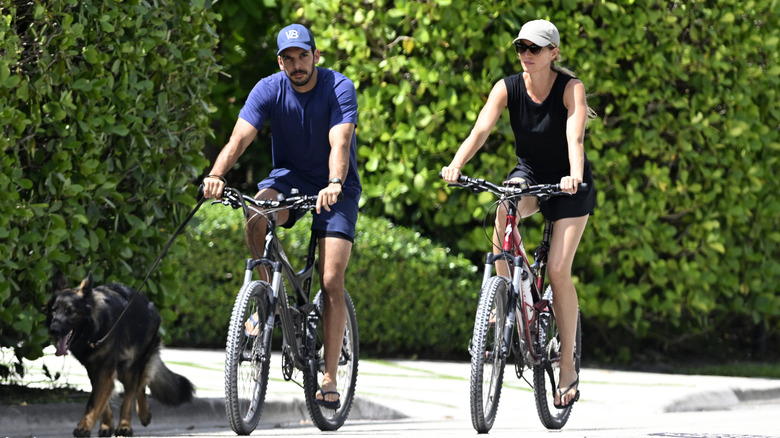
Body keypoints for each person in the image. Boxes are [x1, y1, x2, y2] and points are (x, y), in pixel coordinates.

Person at [202, 23, 361, 410]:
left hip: (335, 188)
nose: (296, 65)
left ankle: (328, 376)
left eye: (303, 56)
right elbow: (238, 139)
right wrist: (216, 174)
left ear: (315, 55)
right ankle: (266, 300)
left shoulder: (338, 87)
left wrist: (335, 181)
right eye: (288, 59)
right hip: (289, 179)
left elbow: (339, 141)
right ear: (280, 62)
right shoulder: (268, 88)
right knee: (256, 212)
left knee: (330, 280)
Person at [441, 19, 595, 409]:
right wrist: (456, 164)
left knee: (558, 270)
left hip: (567, 184)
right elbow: (481, 130)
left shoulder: (570, 88)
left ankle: (567, 367)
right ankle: (505, 294)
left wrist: (574, 176)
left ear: (553, 53)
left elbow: (574, 136)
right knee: (505, 203)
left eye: (535, 49)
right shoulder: (507, 87)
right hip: (530, 174)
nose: (526, 55)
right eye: (521, 48)